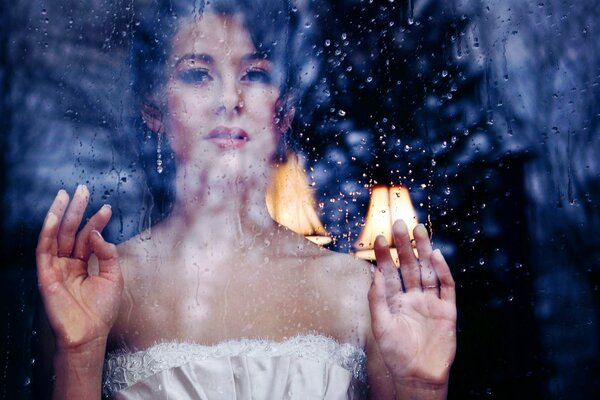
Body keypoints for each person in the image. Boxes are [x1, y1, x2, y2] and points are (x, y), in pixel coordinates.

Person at [35, 1, 456, 398]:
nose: (229, 100)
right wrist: (78, 353)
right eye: (197, 74)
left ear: (283, 110)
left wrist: (422, 388)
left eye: (254, 74)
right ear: (155, 109)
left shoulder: (355, 290)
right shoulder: (101, 290)